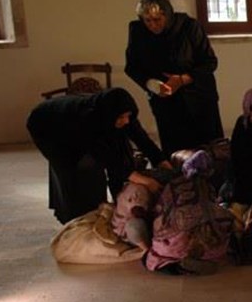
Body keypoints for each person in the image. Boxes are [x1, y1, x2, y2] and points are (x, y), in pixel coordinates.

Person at [27, 88, 171, 224]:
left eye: (128, 116)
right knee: (78, 167)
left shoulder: (122, 114)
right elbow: (108, 157)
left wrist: (163, 163)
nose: (126, 121)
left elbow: (143, 140)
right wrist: (146, 181)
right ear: (110, 115)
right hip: (47, 126)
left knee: (119, 148)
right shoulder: (89, 119)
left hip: (73, 123)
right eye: (121, 117)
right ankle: (76, 216)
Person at [124, 0, 224, 155]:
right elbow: (132, 67)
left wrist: (183, 80)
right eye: (147, 21)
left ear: (167, 15)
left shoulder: (189, 26)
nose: (153, 25)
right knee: (175, 151)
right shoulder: (138, 31)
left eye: (157, 20)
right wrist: (151, 84)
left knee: (208, 150)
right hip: (165, 101)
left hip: (198, 97)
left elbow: (209, 62)